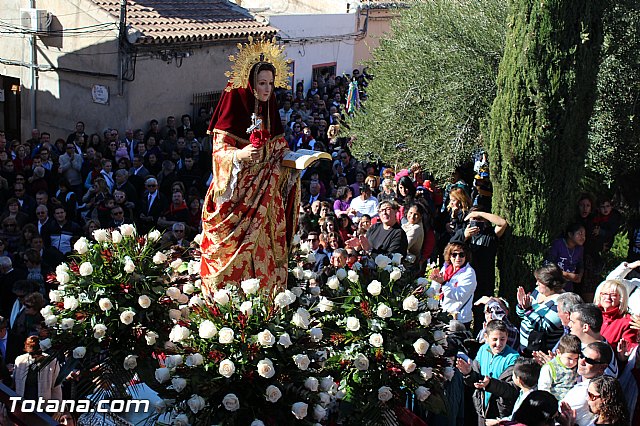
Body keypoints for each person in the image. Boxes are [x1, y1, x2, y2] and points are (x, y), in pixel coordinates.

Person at [200, 38, 300, 294]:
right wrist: (240, 155)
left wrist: (293, 159)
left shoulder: (270, 108)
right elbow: (219, 152)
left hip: (266, 196)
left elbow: (278, 146)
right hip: (238, 196)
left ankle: (267, 299)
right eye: (262, 84)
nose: (267, 90)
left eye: (270, 84)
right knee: (232, 254)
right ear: (250, 83)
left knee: (265, 248)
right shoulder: (234, 105)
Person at [457, 320, 520, 425]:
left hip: (499, 412)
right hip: (481, 408)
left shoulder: (513, 357)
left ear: (507, 336)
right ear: (486, 337)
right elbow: (475, 378)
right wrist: (468, 373)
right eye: (494, 339)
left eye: (502, 339)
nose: (498, 344)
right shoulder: (483, 350)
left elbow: (511, 390)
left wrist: (490, 384)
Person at [516, 264, 565, 354]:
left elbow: (544, 327)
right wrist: (521, 305)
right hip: (525, 348)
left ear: (549, 283)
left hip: (542, 352)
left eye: (539, 281)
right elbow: (523, 316)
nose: (536, 283)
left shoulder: (561, 301)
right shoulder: (537, 291)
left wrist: (528, 309)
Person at [561, 341, 613, 426]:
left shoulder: (588, 392)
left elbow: (557, 415)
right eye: (581, 355)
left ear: (603, 367)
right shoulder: (574, 374)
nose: (581, 361)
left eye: (589, 360)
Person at [430, 240, 477, 326]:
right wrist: (436, 282)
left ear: (466, 256)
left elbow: (460, 296)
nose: (458, 258)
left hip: (459, 319)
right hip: (443, 315)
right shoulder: (446, 269)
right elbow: (436, 291)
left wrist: (443, 283)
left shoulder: (469, 273)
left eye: (461, 255)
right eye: (454, 254)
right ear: (449, 256)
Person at [485, 358, 541, 425]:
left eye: (513, 374)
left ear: (519, 379)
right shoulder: (526, 392)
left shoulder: (529, 401)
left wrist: (499, 423)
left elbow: (519, 421)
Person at [569, 303, 618, 377]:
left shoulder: (602, 356)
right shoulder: (579, 343)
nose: (569, 325)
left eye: (572, 322)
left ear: (585, 327)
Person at [593, 279, 638, 356]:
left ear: (621, 298)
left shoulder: (627, 322)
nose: (608, 297)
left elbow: (628, 352)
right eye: (604, 294)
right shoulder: (593, 314)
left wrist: (622, 356)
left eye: (613, 295)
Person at [13, 336, 62, 402]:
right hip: (22, 404)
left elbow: (56, 388)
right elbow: (14, 383)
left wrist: (57, 407)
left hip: (43, 406)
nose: (35, 356)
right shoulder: (20, 360)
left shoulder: (52, 362)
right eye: (32, 354)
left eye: (37, 353)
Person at [537, 334, 581, 400]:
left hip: (573, 400)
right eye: (569, 358)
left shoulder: (578, 365)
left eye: (576, 358)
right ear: (559, 352)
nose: (572, 362)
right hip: (555, 402)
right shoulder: (550, 368)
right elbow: (544, 388)